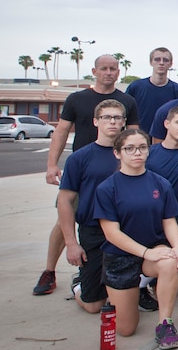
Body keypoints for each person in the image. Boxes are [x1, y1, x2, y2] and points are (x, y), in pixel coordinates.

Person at [36, 55, 138, 296]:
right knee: (65, 219)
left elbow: (134, 134)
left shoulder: (127, 101)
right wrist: (52, 165)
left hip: (116, 167)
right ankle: (49, 271)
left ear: (118, 72)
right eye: (104, 68)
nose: (108, 72)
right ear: (94, 71)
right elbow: (61, 131)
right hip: (85, 171)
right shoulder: (78, 99)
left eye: (113, 68)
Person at [96, 129, 178, 349]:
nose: (137, 153)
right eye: (130, 148)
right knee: (126, 330)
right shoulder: (107, 188)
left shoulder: (160, 184)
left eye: (143, 147)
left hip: (152, 251)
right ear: (118, 153)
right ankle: (82, 290)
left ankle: (165, 324)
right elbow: (111, 233)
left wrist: (176, 248)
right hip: (121, 257)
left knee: (168, 262)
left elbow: (169, 220)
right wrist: (146, 252)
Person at [57, 99, 126, 313]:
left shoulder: (134, 154)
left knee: (122, 300)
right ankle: (80, 285)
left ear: (124, 122)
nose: (112, 122)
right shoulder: (79, 158)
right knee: (94, 306)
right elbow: (65, 201)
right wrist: (71, 243)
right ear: (96, 121)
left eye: (117, 118)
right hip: (93, 231)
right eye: (107, 117)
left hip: (127, 230)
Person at [126, 47, 178, 133]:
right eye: (157, 59)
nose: (161, 63)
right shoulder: (136, 87)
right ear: (151, 62)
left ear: (171, 64)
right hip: (139, 139)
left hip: (166, 140)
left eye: (165, 60)